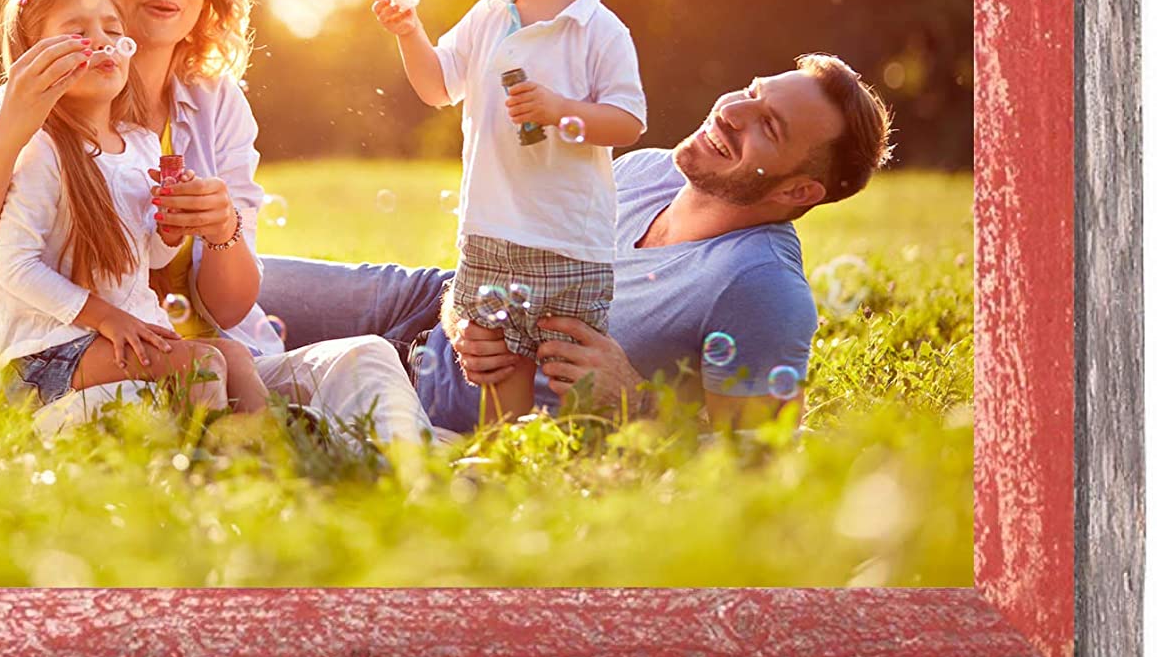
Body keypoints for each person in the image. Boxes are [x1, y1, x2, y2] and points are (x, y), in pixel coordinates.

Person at [0, 0, 437, 443]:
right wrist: (10, 131)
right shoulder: (30, 107)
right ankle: (302, 455)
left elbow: (231, 300)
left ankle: (420, 479)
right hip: (92, 365)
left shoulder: (216, 104)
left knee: (366, 358)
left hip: (203, 350)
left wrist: (220, 230)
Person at [258, 55, 894, 433]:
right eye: (753, 93)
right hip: (428, 303)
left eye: (769, 126)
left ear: (797, 192)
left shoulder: (761, 289)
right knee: (214, 276)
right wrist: (459, 313)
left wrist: (635, 403)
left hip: (458, 402)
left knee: (230, 381)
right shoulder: (648, 170)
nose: (733, 112)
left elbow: (759, 467)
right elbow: (506, 253)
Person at [372, 0, 645, 421]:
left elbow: (627, 120)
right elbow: (439, 86)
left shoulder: (599, 30)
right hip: (491, 229)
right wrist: (409, 34)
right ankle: (507, 462)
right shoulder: (491, 13)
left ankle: (581, 462)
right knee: (497, 363)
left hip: (568, 240)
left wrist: (559, 109)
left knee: (571, 370)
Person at [0, 0, 269, 420]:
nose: (103, 42)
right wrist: (106, 317)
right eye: (78, 32)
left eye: (113, 29)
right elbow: (15, 267)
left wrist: (171, 229)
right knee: (201, 364)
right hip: (47, 349)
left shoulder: (140, 143)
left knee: (235, 358)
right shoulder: (42, 149)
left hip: (116, 334)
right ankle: (209, 465)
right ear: (36, 57)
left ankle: (270, 453)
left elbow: (154, 260)